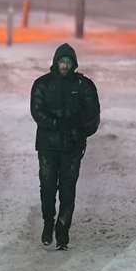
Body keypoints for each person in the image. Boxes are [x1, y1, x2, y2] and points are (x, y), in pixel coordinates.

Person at [30, 42, 100, 250]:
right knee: (48, 186)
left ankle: (63, 230)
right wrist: (56, 124)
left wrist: (79, 130)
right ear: (56, 62)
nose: (64, 65)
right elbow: (37, 111)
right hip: (47, 146)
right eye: (62, 61)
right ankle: (48, 222)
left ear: (74, 63)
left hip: (72, 146)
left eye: (68, 62)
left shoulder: (83, 86)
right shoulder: (42, 84)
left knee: (68, 189)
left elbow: (93, 114)